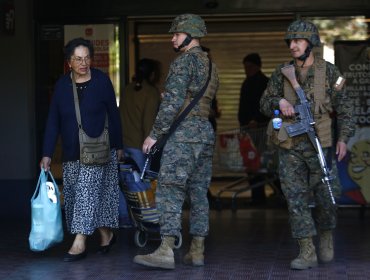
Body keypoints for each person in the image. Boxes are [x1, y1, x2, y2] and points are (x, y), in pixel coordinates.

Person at [260, 20, 355, 270]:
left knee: (327, 196)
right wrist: (279, 101)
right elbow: (263, 102)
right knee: (295, 199)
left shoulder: (331, 72)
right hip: (290, 146)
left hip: (320, 145)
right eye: (290, 41)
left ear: (310, 43)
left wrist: (343, 138)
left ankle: (325, 234)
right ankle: (306, 249)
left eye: (298, 41)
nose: (292, 46)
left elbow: (346, 109)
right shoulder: (281, 72)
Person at [133, 13, 219, 269]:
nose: (173, 38)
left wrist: (154, 135)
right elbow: (200, 99)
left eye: (177, 34)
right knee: (199, 193)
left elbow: (171, 103)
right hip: (204, 132)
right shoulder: (211, 64)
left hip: (183, 136)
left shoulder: (183, 63)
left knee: (169, 189)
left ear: (191, 35)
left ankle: (166, 250)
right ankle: (197, 250)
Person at [40, 37, 123, 262]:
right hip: (72, 152)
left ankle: (79, 243)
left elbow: (114, 116)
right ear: (69, 62)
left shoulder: (102, 81)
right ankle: (106, 235)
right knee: (79, 197)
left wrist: (118, 145)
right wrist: (47, 153)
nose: (83, 63)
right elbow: (53, 121)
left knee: (87, 194)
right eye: (78, 59)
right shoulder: (61, 86)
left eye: (87, 58)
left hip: (99, 150)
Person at [118, 58, 161, 227]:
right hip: (140, 147)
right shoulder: (151, 92)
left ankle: (124, 219)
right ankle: (145, 219)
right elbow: (149, 123)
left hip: (123, 144)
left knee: (124, 184)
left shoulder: (128, 89)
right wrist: (150, 148)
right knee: (141, 186)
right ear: (152, 74)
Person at [238, 53, 270, 204]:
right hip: (249, 129)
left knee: (262, 162)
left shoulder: (264, 82)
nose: (246, 69)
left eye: (249, 66)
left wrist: (256, 119)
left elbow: (266, 106)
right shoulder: (247, 82)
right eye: (245, 67)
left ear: (258, 66)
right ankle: (257, 194)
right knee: (254, 163)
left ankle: (261, 195)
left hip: (260, 129)